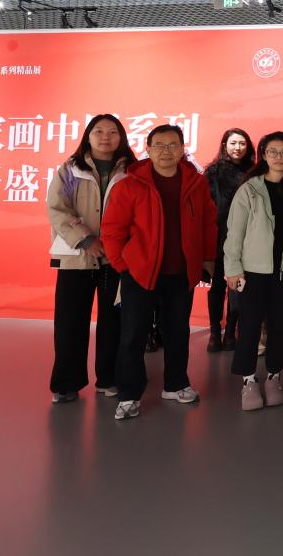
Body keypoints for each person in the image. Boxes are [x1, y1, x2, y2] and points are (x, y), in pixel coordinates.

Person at [101, 124, 217, 421]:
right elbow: (112, 229)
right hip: (140, 273)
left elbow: (208, 222)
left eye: (173, 144)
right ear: (148, 149)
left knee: (178, 331)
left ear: (182, 148)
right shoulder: (130, 184)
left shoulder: (196, 183)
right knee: (133, 334)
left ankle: (175, 384)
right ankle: (129, 394)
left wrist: (207, 258)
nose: (167, 151)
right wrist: (122, 264)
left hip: (180, 273)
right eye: (160, 145)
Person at [47, 114, 135, 403]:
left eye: (112, 132)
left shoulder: (133, 171)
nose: (105, 137)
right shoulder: (70, 169)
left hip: (116, 259)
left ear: (121, 137)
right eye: (98, 131)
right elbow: (57, 208)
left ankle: (109, 379)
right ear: (88, 136)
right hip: (77, 258)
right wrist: (86, 239)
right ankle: (66, 383)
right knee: (70, 323)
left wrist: (119, 244)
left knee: (114, 323)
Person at [224, 132, 283, 411]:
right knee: (249, 326)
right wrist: (233, 268)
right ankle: (248, 380)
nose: (278, 157)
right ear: (263, 155)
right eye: (272, 151)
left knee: (280, 326)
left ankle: (273, 377)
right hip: (253, 271)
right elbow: (234, 233)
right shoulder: (250, 189)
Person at [204, 128, 254, 353]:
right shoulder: (212, 172)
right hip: (218, 237)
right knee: (217, 287)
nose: (238, 148)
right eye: (233, 143)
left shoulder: (254, 172)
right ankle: (215, 332)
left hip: (245, 239)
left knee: (238, 288)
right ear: (225, 145)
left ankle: (231, 330)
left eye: (242, 143)